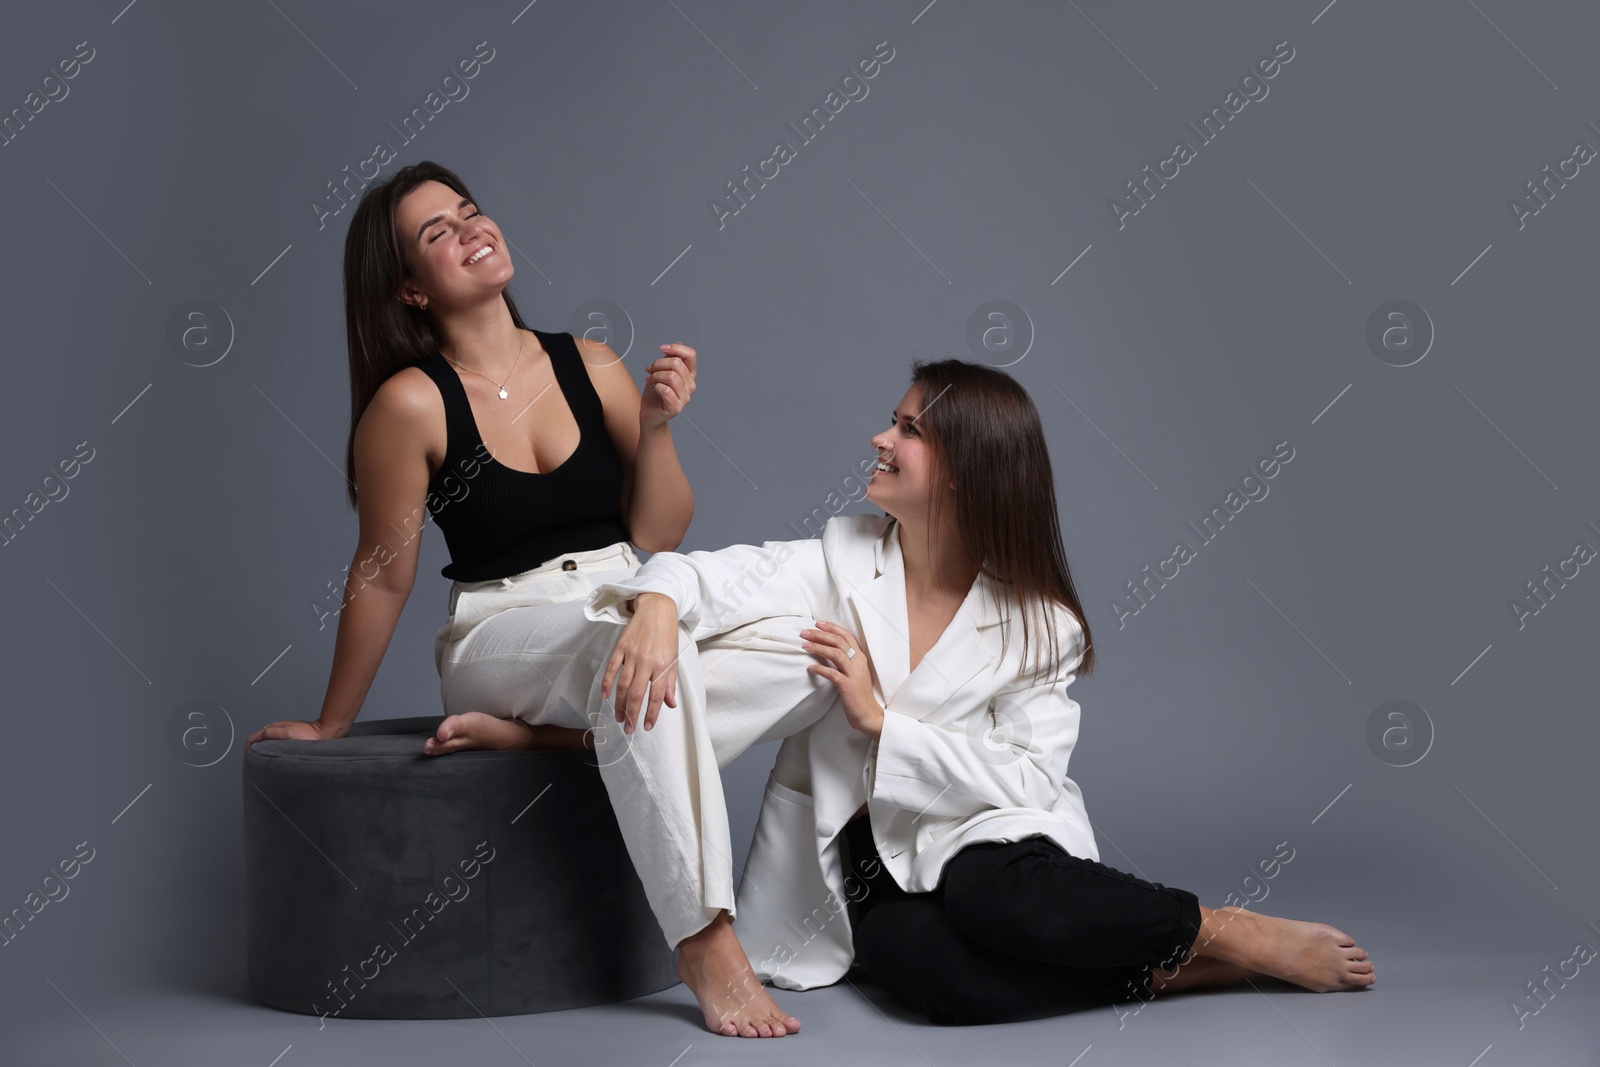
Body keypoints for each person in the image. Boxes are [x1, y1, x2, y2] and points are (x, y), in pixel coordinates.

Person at [589, 359, 1376, 1029]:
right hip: (864, 852)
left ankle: (1224, 929)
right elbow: (705, 571)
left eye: (907, 430)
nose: (880, 439)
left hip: (985, 830)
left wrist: (880, 721)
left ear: (966, 467)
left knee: (995, 900)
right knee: (934, 980)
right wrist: (657, 603)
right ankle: (1171, 971)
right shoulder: (840, 555)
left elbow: (1029, 778)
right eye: (889, 422)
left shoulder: (1041, 622)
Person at [241, 162, 836, 1037]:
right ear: (409, 288)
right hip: (502, 631)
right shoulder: (410, 406)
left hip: (624, 596)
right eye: (436, 233)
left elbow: (658, 531)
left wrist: (660, 428)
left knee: (811, 650)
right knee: (632, 655)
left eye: (469, 211)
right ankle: (706, 936)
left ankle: (557, 738)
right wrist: (334, 722)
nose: (469, 228)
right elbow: (384, 572)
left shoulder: (589, 364)